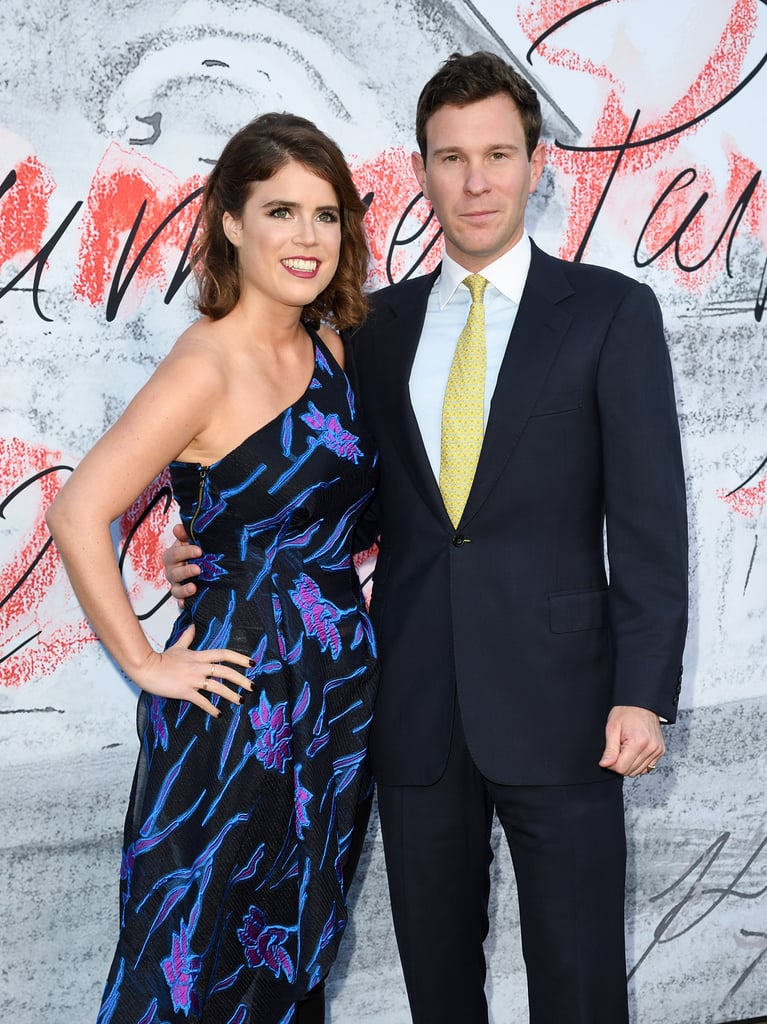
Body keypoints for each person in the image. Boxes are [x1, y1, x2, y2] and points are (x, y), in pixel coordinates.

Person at [165, 52, 688, 1024]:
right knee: (436, 990)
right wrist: (220, 536)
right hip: (408, 709)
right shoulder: (371, 325)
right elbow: (344, 495)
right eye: (450, 157)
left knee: (579, 984)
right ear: (420, 170)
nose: (475, 179)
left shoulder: (611, 313)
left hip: (567, 708)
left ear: (538, 162)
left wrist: (641, 693)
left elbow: (651, 521)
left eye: (496, 153)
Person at [46, 111, 377, 1024]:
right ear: (231, 222)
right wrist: (147, 664)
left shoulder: (333, 350)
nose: (306, 238)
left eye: (325, 214)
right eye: (280, 212)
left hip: (336, 696)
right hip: (232, 708)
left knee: (294, 946)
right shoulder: (206, 360)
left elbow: (326, 509)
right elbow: (78, 510)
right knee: (190, 947)